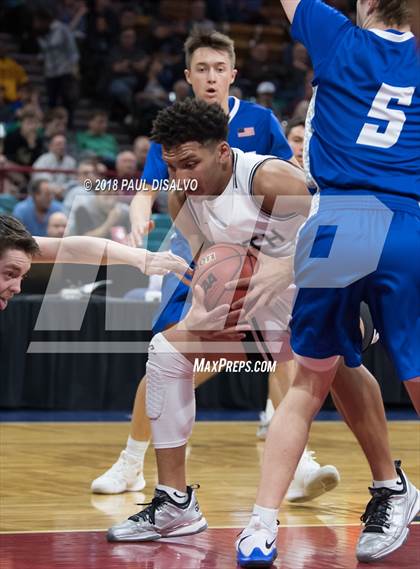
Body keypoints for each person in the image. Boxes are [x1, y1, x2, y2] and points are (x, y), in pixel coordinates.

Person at [106, 99, 405, 546]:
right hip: (262, 310)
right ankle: (174, 503)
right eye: (171, 166)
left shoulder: (267, 177)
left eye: (191, 163)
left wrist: (286, 267)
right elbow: (214, 261)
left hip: (325, 290)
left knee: (338, 366)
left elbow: (355, 223)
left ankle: (390, 486)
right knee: (167, 351)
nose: (181, 176)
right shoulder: (182, 196)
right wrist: (211, 300)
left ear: (223, 152)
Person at [91, 28, 340, 502]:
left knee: (285, 341)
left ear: (232, 73)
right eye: (201, 69)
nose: (210, 77)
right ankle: (131, 461)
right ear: (188, 76)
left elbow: (290, 187)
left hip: (262, 243)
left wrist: (281, 257)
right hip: (199, 243)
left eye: (218, 68)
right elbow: (152, 188)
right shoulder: (174, 127)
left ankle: (296, 459)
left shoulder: (258, 120)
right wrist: (141, 218)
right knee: (168, 349)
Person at [237, 0, 420, 566]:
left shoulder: (336, 35)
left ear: (364, 4)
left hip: (339, 219)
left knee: (306, 383)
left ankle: (260, 528)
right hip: (408, 222)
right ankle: (390, 490)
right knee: (411, 376)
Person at [0, 213, 191, 313]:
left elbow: (70, 249)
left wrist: (141, 258)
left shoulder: (13, 247)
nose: (17, 288)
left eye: (21, 276)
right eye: (10, 273)